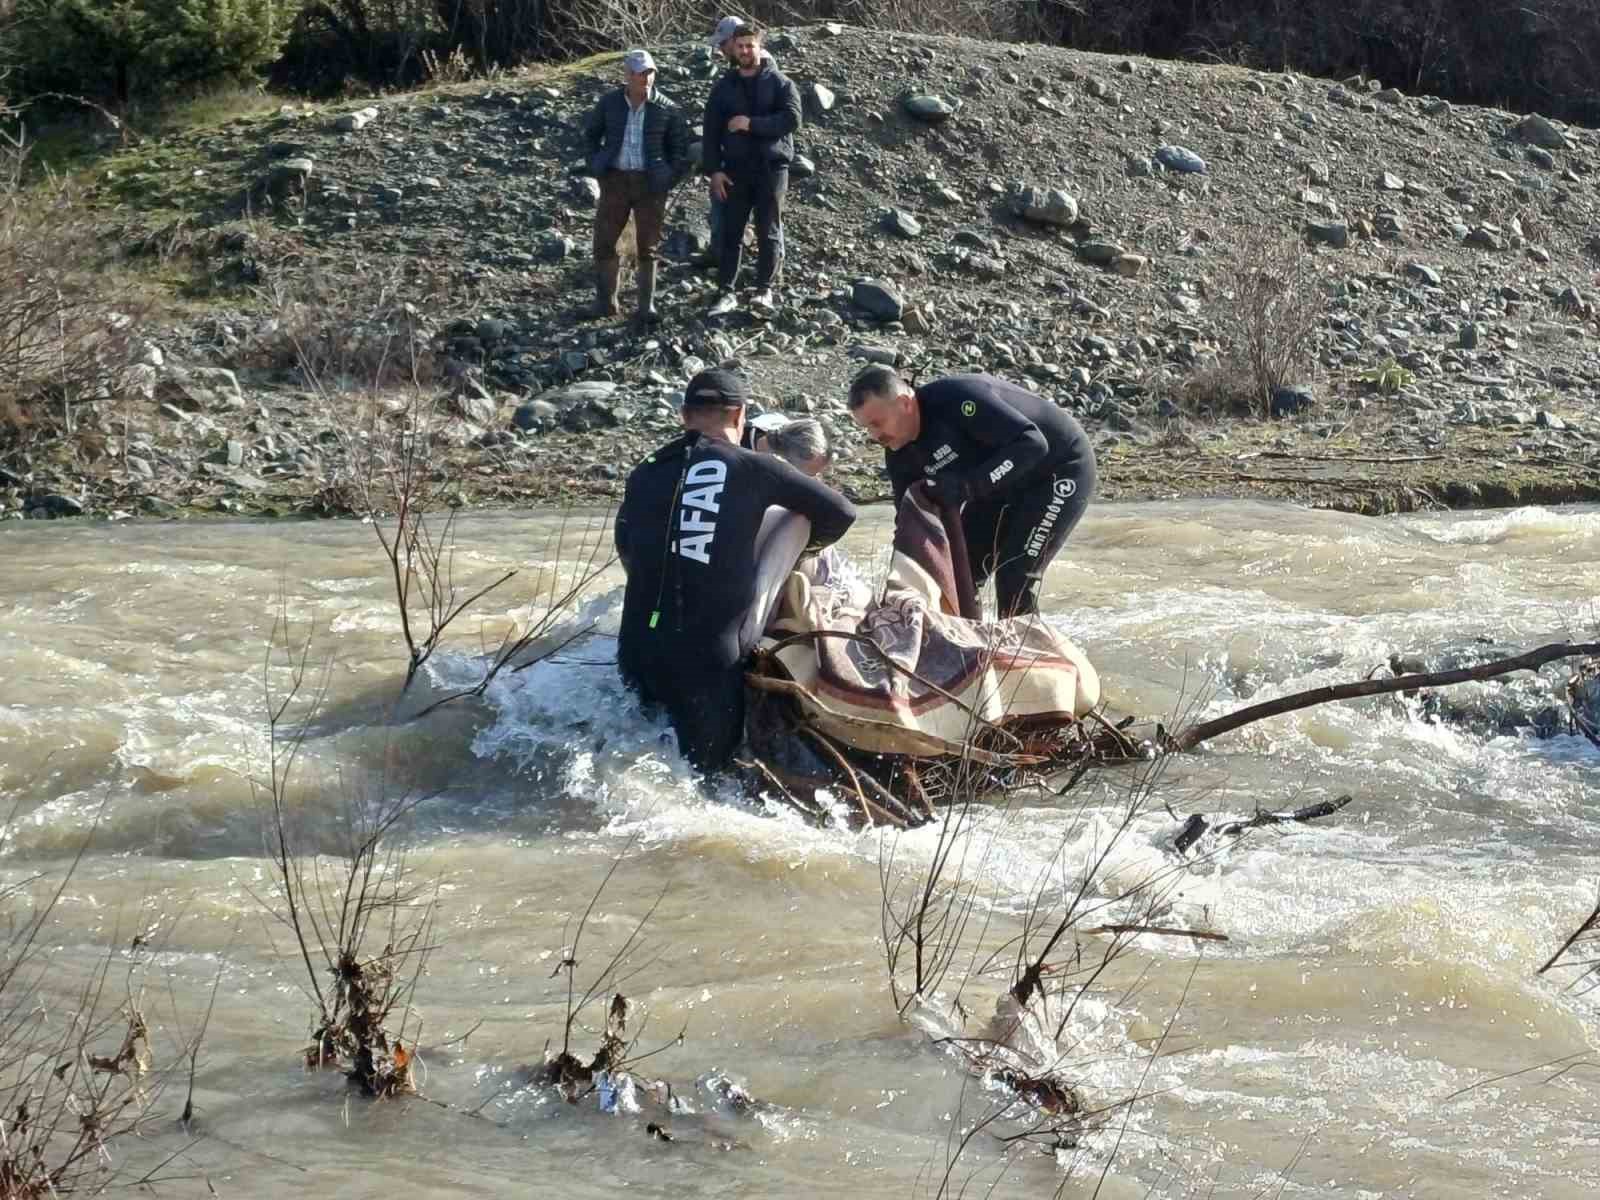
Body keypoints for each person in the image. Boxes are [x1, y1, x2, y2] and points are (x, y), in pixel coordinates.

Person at [615, 369, 857, 771]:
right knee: (706, 782)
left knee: (631, 761)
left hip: (636, 647)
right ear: (740, 415)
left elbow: (625, 544)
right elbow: (841, 513)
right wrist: (786, 553)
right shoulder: (752, 466)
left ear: (683, 416)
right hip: (706, 660)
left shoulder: (644, 472)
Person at [847, 367, 1096, 618]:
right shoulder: (900, 455)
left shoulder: (958, 399)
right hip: (997, 482)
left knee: (1014, 576)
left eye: (877, 423)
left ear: (904, 403)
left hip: (1058, 466)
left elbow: (1033, 443)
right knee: (958, 573)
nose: (874, 436)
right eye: (867, 428)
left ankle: (1026, 642)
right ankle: (970, 639)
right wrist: (899, 585)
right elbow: (908, 523)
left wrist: (967, 486)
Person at [582, 49, 691, 329]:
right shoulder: (609, 103)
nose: (646, 78)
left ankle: (646, 306)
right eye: (640, 73)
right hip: (615, 181)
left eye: (650, 73)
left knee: (648, 246)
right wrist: (597, 165)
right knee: (604, 241)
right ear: (628, 75)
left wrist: (667, 179)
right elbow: (591, 135)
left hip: (650, 184)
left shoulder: (666, 107)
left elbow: (680, 149)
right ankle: (606, 302)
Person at [702, 24, 801, 314]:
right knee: (731, 232)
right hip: (735, 170)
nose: (745, 51)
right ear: (733, 48)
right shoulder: (723, 87)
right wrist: (714, 170)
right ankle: (726, 292)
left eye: (750, 45)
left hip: (772, 168)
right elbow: (711, 132)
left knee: (767, 230)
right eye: (740, 46)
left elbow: (792, 119)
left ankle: (764, 291)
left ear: (760, 47)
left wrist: (751, 124)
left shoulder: (781, 83)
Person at [700, 15, 779, 269]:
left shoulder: (765, 71)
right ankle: (723, 258)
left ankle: (766, 270)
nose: (722, 50)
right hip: (739, 156)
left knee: (767, 221)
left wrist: (746, 125)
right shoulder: (734, 74)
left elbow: (784, 117)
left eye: (724, 44)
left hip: (761, 160)